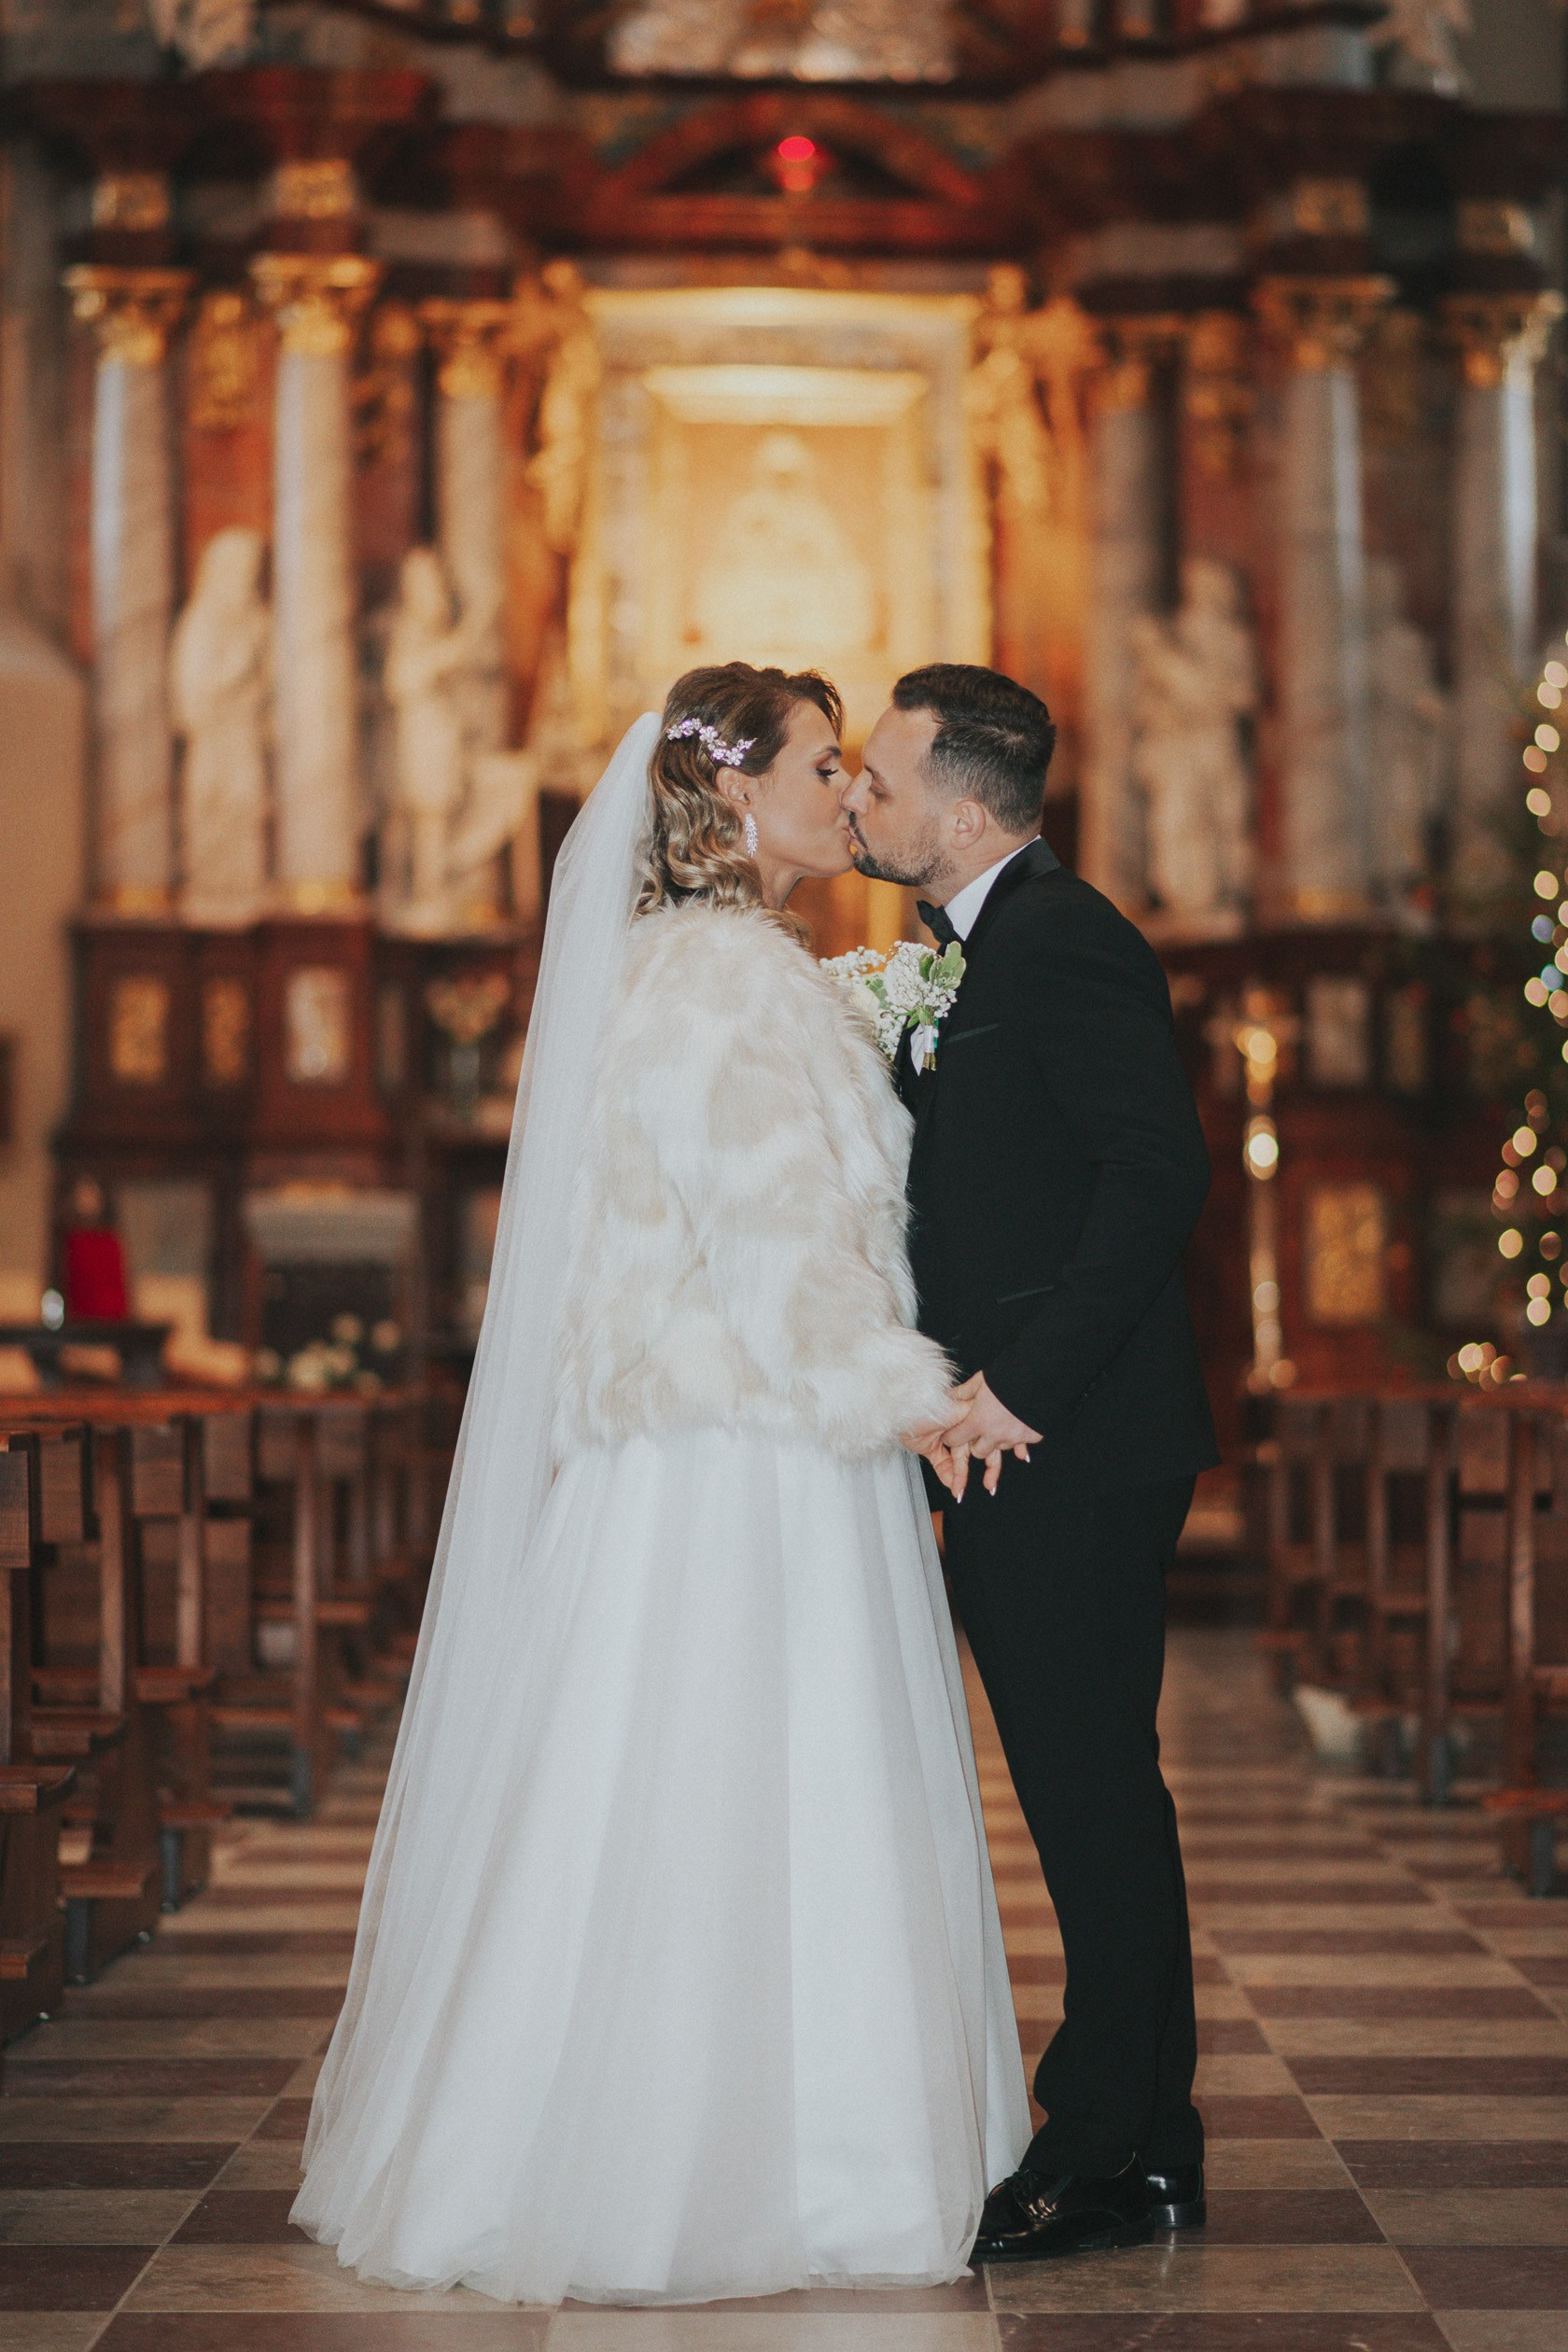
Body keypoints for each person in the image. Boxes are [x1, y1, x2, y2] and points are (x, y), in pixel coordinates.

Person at [291, 663, 1029, 2305]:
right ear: (733, 793)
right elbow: (777, 1253)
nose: (852, 794)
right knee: (735, 1789)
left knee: (705, 1793)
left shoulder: (718, 968)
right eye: (825, 766)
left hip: (731, 1439)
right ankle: (719, 2170)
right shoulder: (720, 980)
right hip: (745, 1458)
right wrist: (921, 1402)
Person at [841, 663, 1218, 2261]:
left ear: (964, 808)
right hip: (1021, 1443)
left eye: (881, 777)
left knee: (1091, 1800)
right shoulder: (968, 951)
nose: (859, 798)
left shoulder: (1066, 940)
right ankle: (1152, 2140)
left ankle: (1107, 2149)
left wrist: (1018, 1390)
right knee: (1090, 1795)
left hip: (1067, 1446)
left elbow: (1156, 1175)